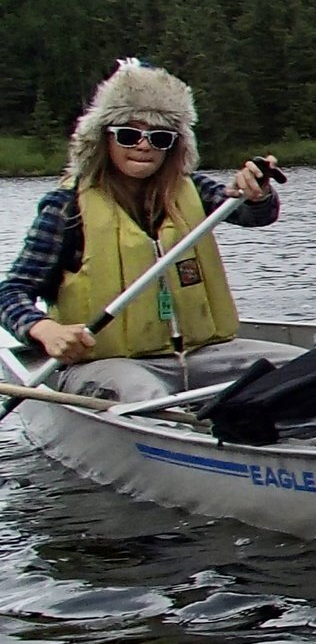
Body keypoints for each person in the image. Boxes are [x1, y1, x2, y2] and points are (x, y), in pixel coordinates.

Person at [2, 59, 287, 402]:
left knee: (307, 367)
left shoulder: (191, 190)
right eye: (128, 134)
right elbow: (11, 291)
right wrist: (45, 329)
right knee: (144, 394)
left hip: (203, 355)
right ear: (103, 140)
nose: (143, 145)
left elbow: (256, 214)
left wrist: (258, 191)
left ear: (174, 146)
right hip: (108, 363)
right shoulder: (66, 207)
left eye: (160, 137)